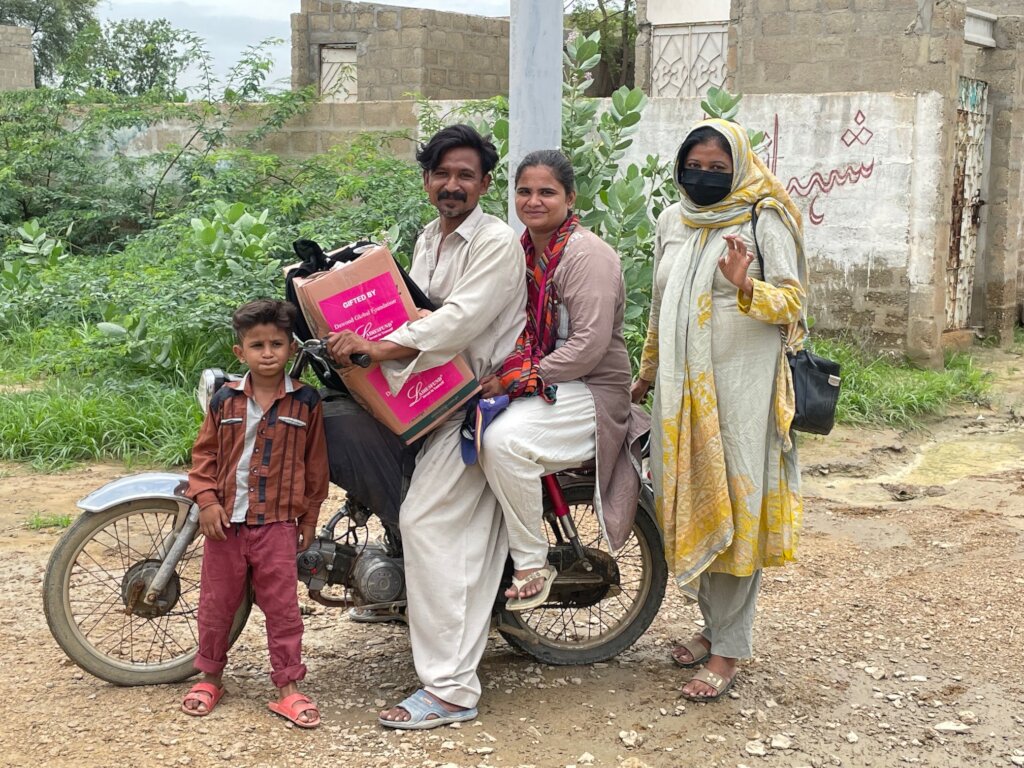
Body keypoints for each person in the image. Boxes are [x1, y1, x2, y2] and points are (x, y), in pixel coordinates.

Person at [327, 124, 526, 729]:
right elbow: (409, 306)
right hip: (429, 397)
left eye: (465, 175)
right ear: (426, 181)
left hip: (477, 403)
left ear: (485, 184)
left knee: (425, 521)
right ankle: (407, 602)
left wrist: (379, 348)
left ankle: (452, 691)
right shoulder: (428, 239)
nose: (452, 185)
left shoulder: (496, 242)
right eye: (442, 174)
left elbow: (456, 322)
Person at [630, 118, 806, 702]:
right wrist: (647, 371)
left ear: (739, 167)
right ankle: (711, 627)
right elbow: (660, 305)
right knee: (687, 500)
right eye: (694, 167)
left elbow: (793, 304)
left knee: (734, 506)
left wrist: (746, 285)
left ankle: (729, 648)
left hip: (740, 396)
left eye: (717, 168)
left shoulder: (763, 216)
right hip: (679, 393)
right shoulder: (673, 219)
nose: (703, 176)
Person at [476, 149, 648, 609]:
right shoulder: (523, 250)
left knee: (502, 443)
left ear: (570, 198)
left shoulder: (586, 256)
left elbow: (589, 346)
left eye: (547, 192)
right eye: (525, 191)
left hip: (592, 389)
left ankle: (532, 562)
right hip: (549, 382)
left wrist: (516, 379)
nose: (534, 201)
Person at [182, 299, 328, 728]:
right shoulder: (225, 400)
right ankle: (210, 678)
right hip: (225, 526)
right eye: (257, 345)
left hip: (278, 525)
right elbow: (204, 456)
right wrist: (207, 501)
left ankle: (288, 687)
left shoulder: (306, 402)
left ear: (291, 348)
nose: (268, 353)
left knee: (283, 609)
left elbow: (315, 465)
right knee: (216, 605)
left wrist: (309, 518)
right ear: (240, 352)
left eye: (277, 344)